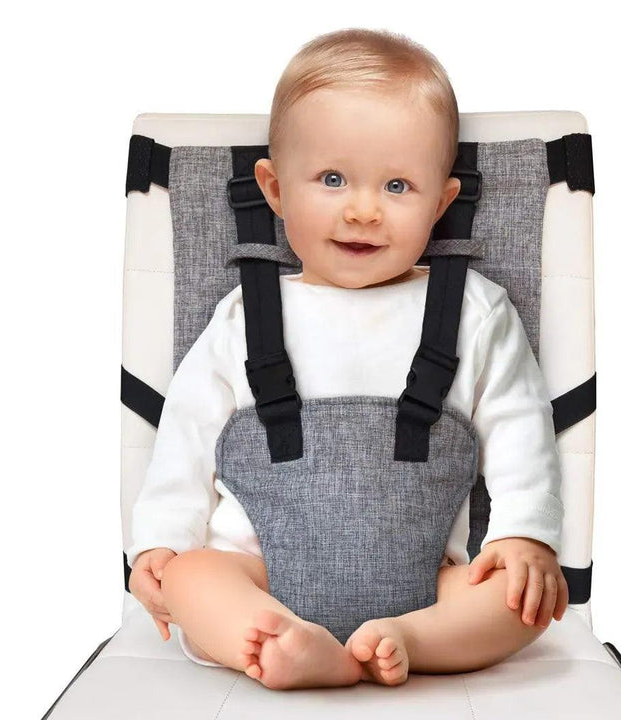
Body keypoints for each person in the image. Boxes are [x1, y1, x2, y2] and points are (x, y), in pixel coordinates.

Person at [127, 27, 568, 691]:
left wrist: (523, 535)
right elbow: (186, 435)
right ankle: (279, 639)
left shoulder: (473, 310)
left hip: (426, 584)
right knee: (193, 576)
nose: (364, 211)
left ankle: (407, 639)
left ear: (442, 202)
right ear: (274, 190)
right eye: (332, 179)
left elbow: (520, 425)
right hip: (259, 572)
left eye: (398, 186)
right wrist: (159, 541)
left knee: (523, 600)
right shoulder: (246, 315)